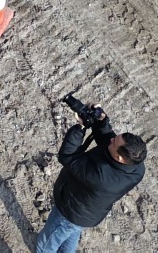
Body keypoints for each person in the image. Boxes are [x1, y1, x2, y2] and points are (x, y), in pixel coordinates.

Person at [37, 100, 147, 252]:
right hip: (87, 216)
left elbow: (67, 157)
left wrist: (80, 127)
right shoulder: (136, 166)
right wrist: (101, 122)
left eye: (114, 141)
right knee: (71, 235)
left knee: (45, 245)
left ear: (121, 158)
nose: (111, 138)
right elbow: (107, 140)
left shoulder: (102, 179)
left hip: (70, 213)